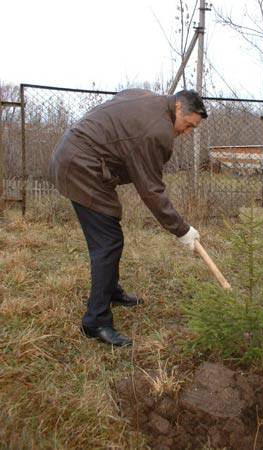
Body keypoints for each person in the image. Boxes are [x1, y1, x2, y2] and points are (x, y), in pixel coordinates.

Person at [50, 88, 208, 347]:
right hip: (81, 166)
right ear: (179, 107)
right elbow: (151, 190)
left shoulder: (150, 99)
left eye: (193, 129)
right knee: (107, 243)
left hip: (79, 157)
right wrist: (181, 230)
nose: (187, 133)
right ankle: (96, 322)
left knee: (110, 238)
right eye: (187, 125)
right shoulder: (157, 130)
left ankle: (111, 292)